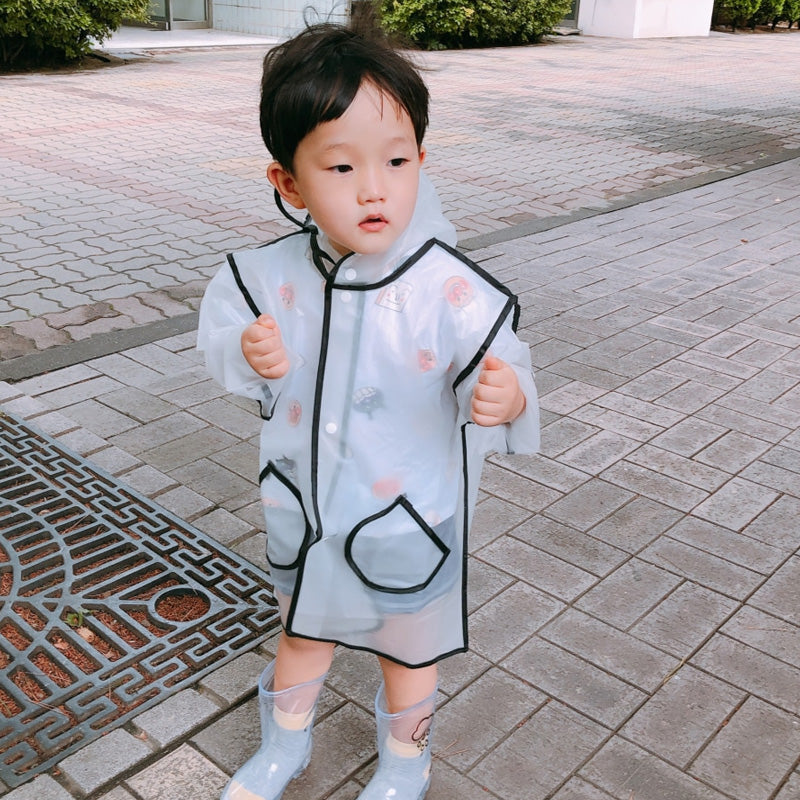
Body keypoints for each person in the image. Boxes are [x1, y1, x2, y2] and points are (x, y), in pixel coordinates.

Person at [197, 18, 539, 800]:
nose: (374, 188)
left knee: (406, 650)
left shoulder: (449, 288)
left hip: (408, 516)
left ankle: (405, 763)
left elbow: (502, 363)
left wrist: (508, 395)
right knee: (302, 631)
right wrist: (246, 353)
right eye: (342, 166)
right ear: (289, 183)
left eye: (396, 160)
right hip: (308, 507)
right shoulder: (267, 278)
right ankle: (284, 747)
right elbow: (221, 342)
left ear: (422, 160)